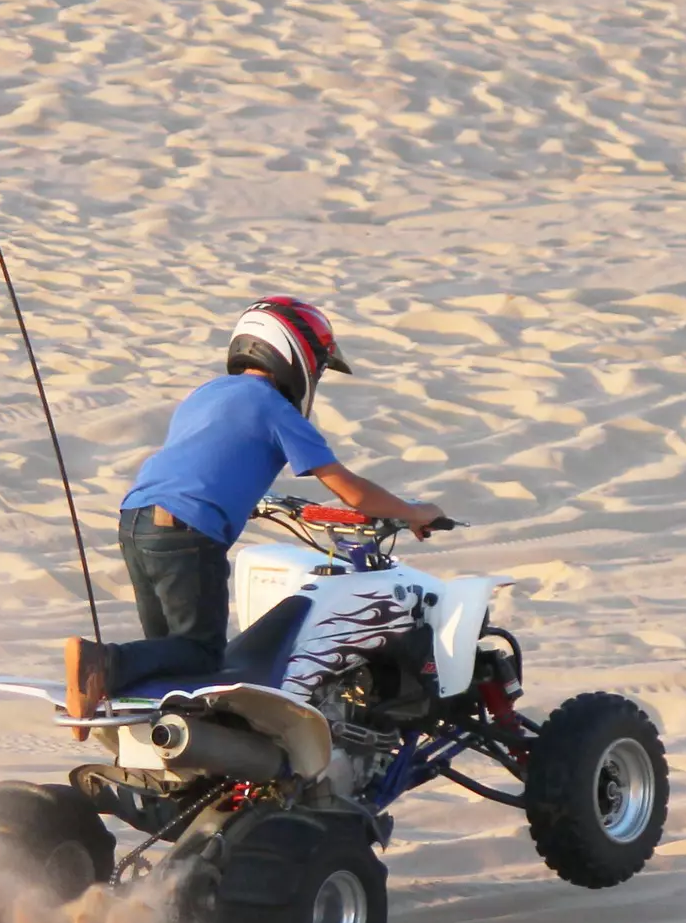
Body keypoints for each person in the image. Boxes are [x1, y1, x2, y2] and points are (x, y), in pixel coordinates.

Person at [64, 296, 444, 729]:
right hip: (188, 529)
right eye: (318, 364)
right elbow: (352, 493)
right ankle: (99, 663)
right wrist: (414, 511)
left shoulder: (206, 393)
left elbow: (208, 459)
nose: (316, 375)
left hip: (136, 519)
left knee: (171, 657)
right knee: (201, 650)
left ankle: (118, 707)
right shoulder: (275, 409)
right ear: (295, 353)